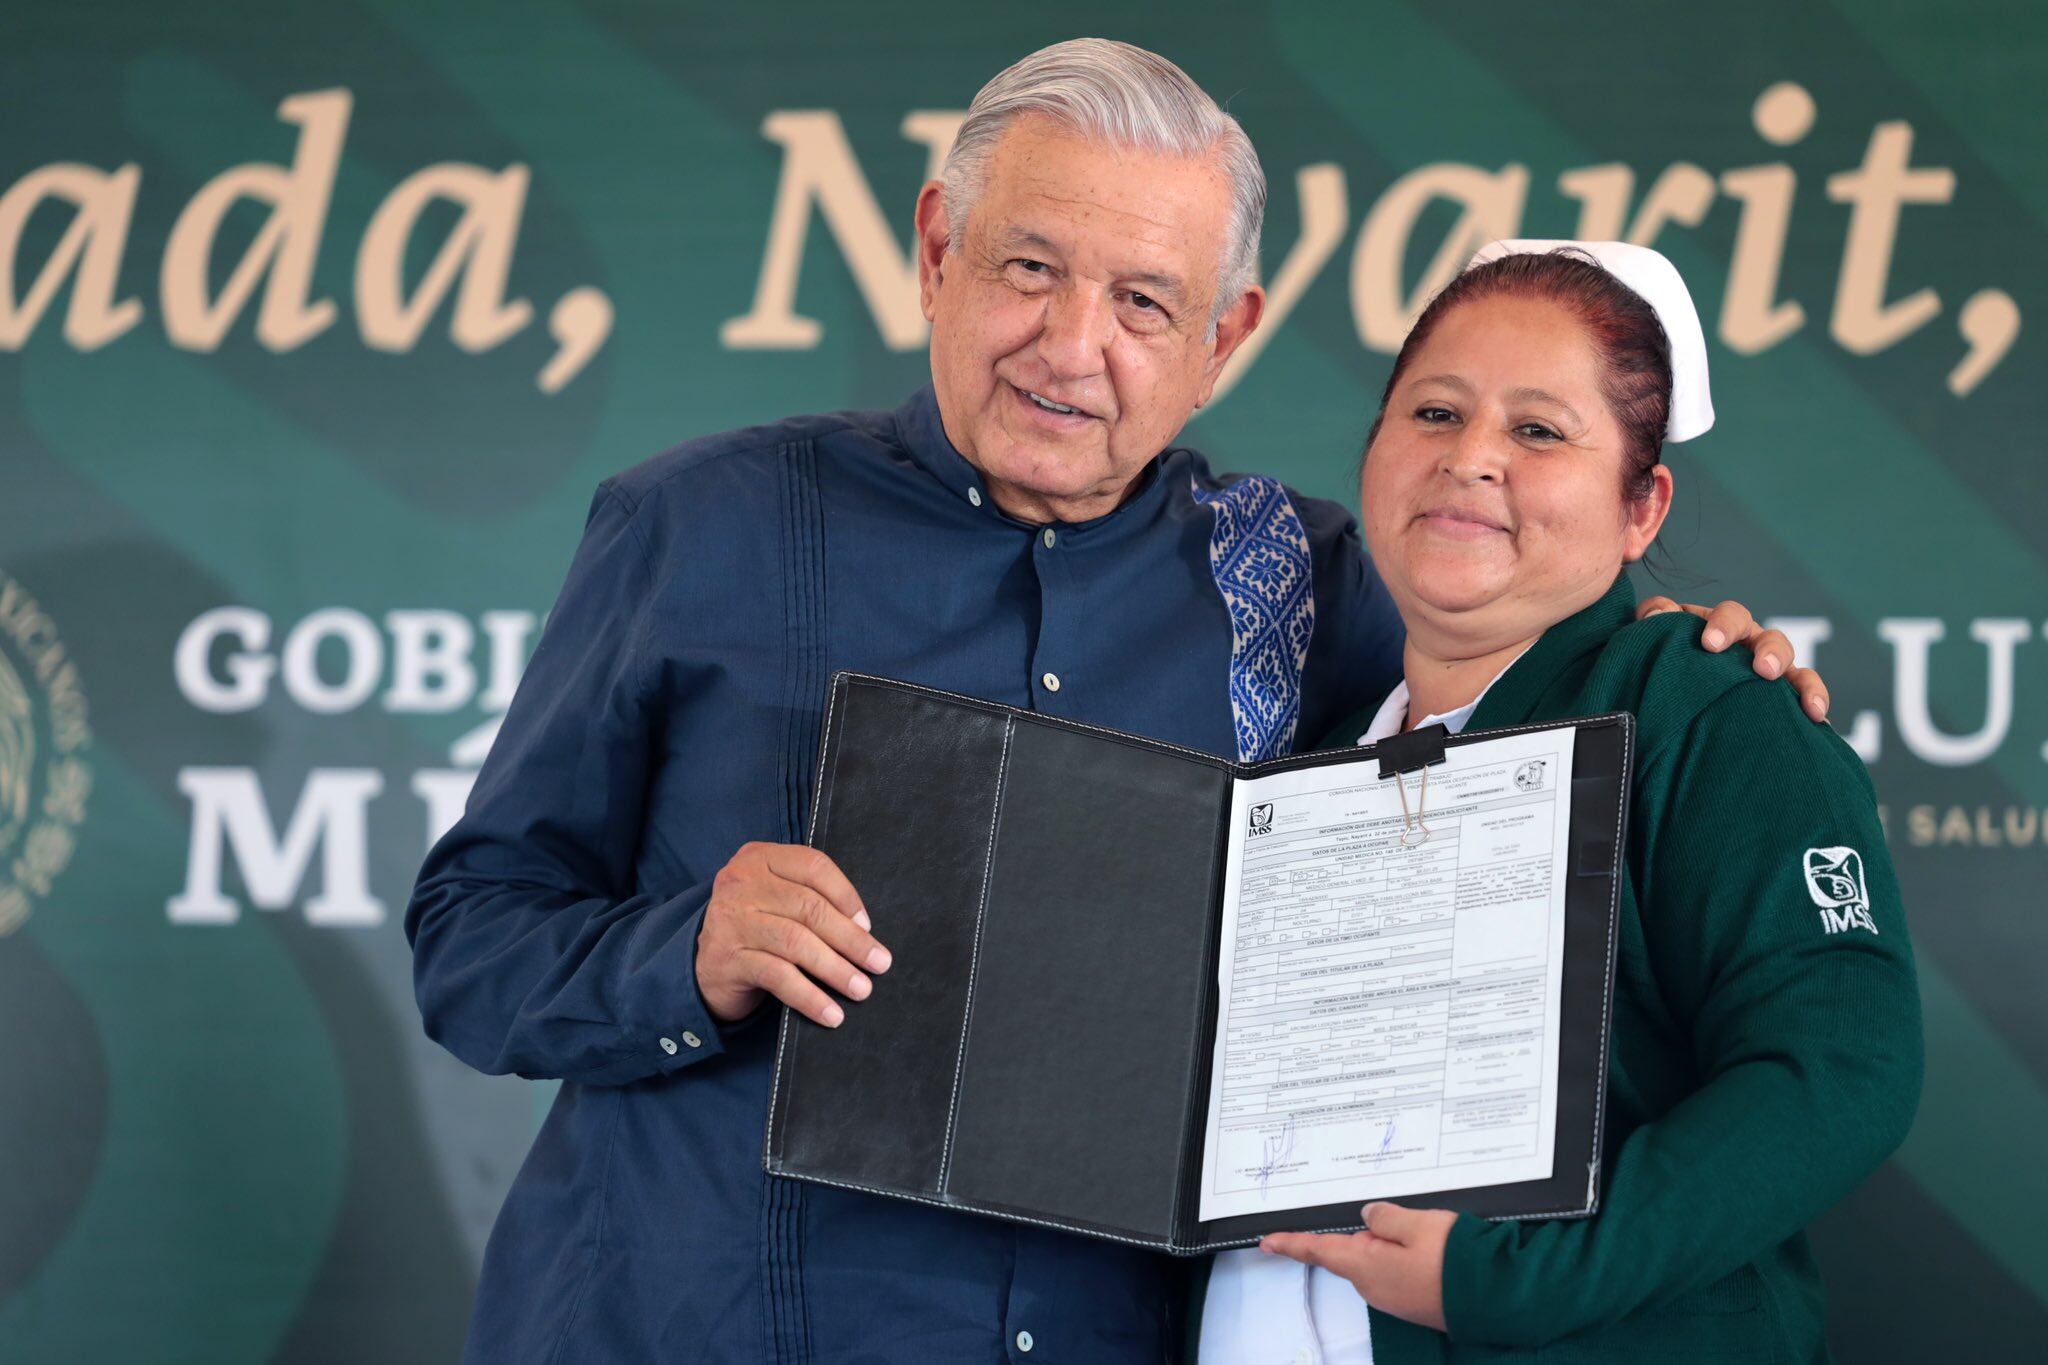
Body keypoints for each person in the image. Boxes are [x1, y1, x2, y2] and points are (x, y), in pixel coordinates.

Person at [405, 41, 1824, 1364]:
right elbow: (471, 939)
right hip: (698, 1322)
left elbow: (1507, 669)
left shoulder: (1310, 576)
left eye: (1145, 301)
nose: (1073, 345)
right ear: (936, 251)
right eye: (1029, 266)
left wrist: (1690, 654)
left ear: (1227, 334)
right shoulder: (698, 524)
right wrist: (690, 953)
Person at [1202, 242, 1921, 1363]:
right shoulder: (1320, 750)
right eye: (1433, 413)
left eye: (1537, 431)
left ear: (1640, 509)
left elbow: (1837, 1068)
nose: (1469, 459)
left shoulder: (1706, 710)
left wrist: (1516, 1276)